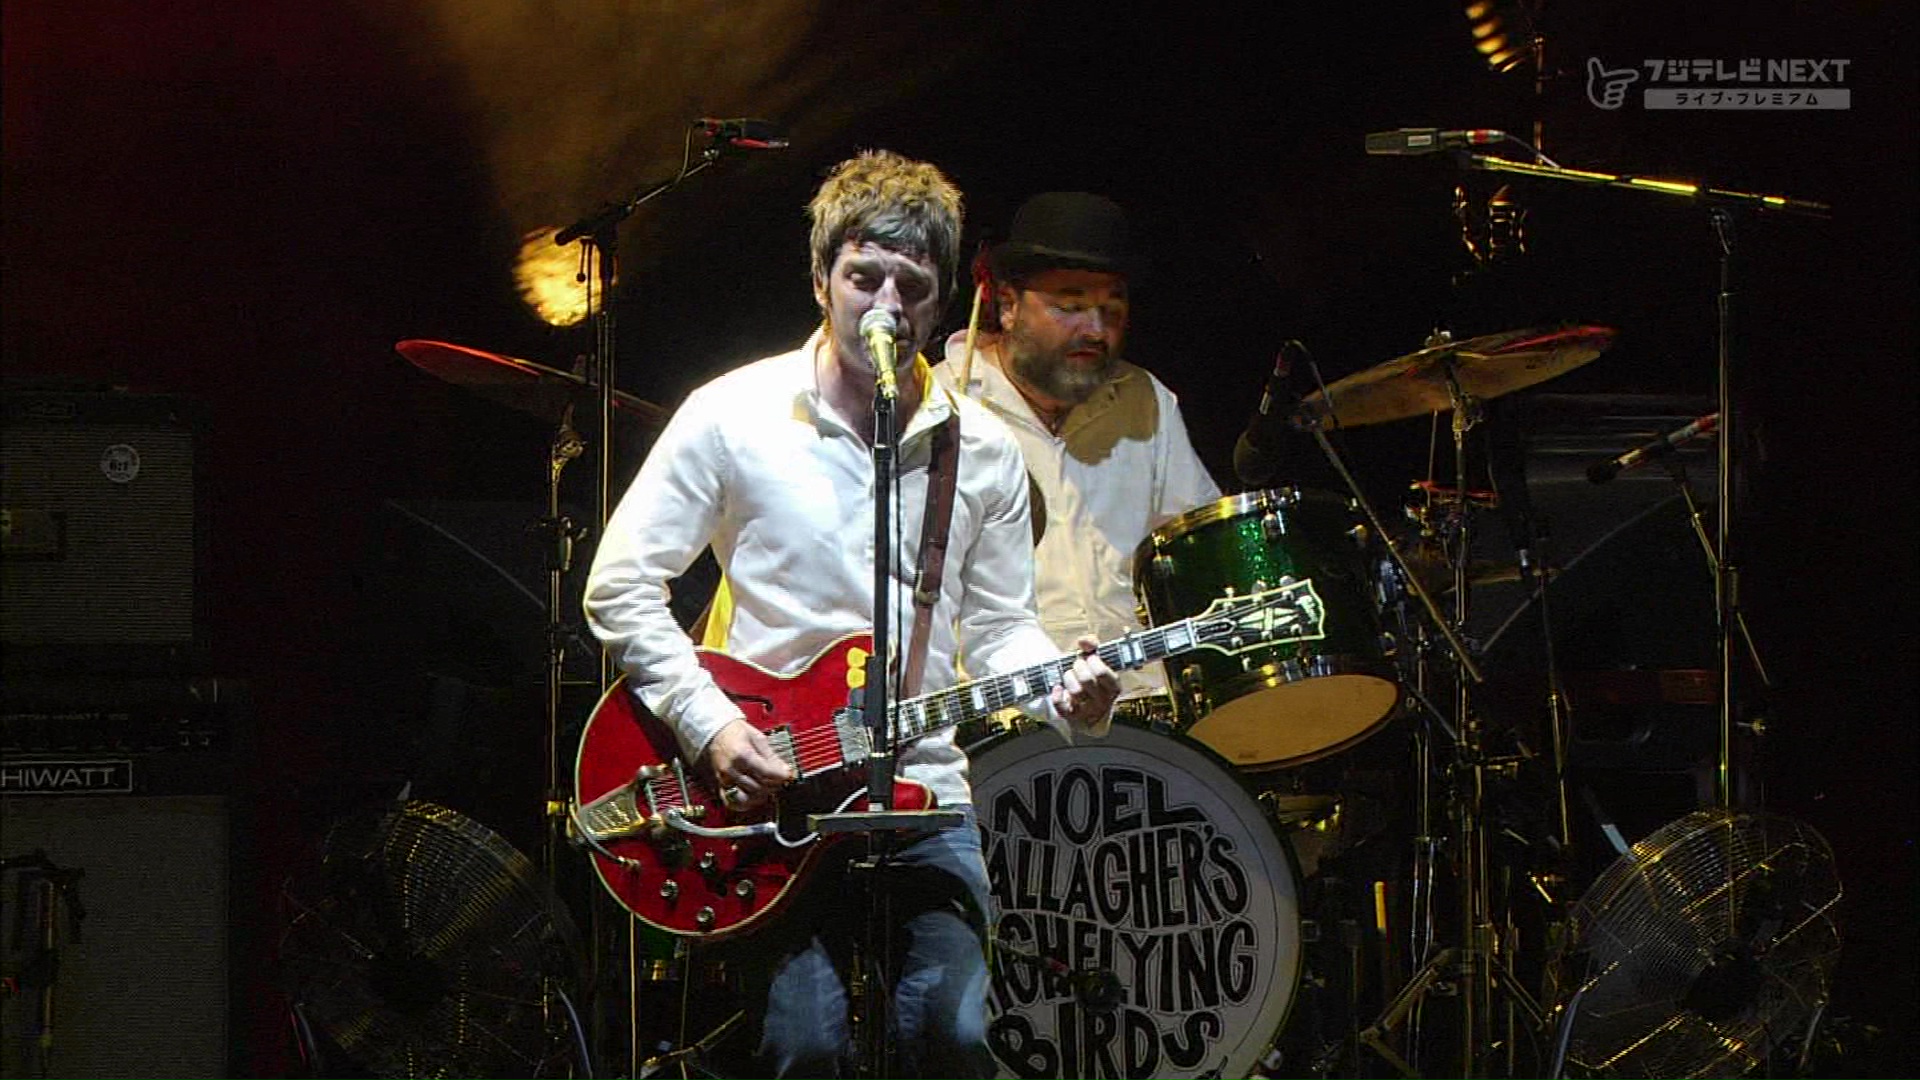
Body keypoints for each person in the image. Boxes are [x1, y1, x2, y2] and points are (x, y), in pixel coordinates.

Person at [583, 150, 1120, 1079]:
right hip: (770, 795)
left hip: (922, 789)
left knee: (954, 1038)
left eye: (912, 287)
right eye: (864, 278)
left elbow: (1000, 629)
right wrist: (711, 727)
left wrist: (1065, 695)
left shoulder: (983, 452)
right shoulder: (732, 416)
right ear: (820, 280)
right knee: (805, 1049)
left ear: (943, 304)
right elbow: (620, 585)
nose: (887, 305)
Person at [932, 191, 1222, 705]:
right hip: (1000, 718)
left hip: (1144, 707)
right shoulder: (940, 409)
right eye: (1070, 307)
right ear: (1008, 306)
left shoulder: (1145, 401)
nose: (1096, 329)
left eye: (1111, 309)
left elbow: (1202, 558)